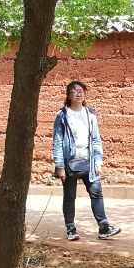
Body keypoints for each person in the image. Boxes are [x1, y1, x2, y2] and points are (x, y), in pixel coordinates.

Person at [52, 80, 122, 241]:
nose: (79, 93)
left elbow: (96, 139)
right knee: (70, 196)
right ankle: (71, 228)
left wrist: (98, 161)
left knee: (96, 193)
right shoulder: (62, 116)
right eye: (74, 91)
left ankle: (104, 227)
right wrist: (59, 166)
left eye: (81, 91)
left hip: (89, 162)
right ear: (68, 95)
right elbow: (57, 141)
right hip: (70, 162)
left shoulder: (90, 114)